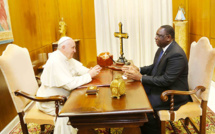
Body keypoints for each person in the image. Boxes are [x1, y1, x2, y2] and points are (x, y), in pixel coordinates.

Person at [122, 25, 192, 134]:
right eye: (156, 35)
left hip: (172, 93)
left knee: (143, 106)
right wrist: (139, 69)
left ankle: (152, 130)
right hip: (162, 87)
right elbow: (154, 67)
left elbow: (166, 80)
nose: (155, 38)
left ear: (168, 37)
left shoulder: (176, 54)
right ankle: (136, 127)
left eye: (159, 36)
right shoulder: (162, 48)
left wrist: (140, 77)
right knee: (134, 94)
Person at [36, 36, 102, 134]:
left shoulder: (66, 57)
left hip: (64, 98)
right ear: (63, 47)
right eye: (72, 48)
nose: (75, 50)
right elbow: (69, 84)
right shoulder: (55, 61)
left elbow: (79, 69)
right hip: (51, 102)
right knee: (69, 114)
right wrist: (89, 75)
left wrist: (90, 71)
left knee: (85, 103)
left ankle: (85, 129)